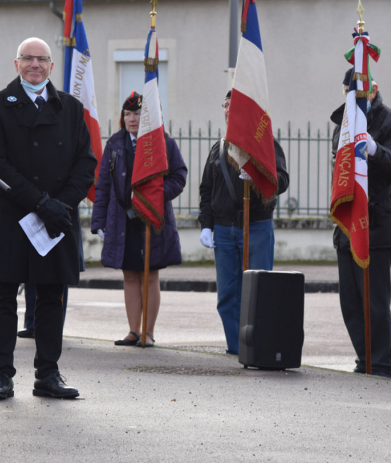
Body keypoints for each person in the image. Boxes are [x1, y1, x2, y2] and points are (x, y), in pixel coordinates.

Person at [0, 37, 96, 401]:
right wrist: (41, 203)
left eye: (41, 59)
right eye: (27, 59)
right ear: (16, 64)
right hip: (14, 216)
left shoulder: (71, 108)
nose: (34, 65)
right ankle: (2, 375)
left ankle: (48, 373)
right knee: (4, 296)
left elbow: (86, 163)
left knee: (51, 295)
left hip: (57, 218)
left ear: (51, 66)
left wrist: (61, 205)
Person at [91, 91, 187, 347]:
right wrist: (98, 222)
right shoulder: (114, 144)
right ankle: (133, 331)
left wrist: (154, 196)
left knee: (150, 274)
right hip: (122, 220)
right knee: (130, 275)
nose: (132, 119)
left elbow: (179, 177)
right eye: (128, 114)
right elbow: (103, 185)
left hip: (152, 219)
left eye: (137, 114)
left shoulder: (164, 142)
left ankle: (148, 332)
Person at [330, 69, 391, 378]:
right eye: (349, 90)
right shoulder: (344, 122)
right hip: (348, 224)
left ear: (374, 89)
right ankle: (364, 359)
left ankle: (382, 363)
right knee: (350, 302)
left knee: (374, 302)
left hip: (377, 224)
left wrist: (375, 150)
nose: (355, 95)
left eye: (361, 90)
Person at [198, 90, 289, 355]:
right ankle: (236, 348)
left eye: (233, 105)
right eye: (225, 105)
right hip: (223, 229)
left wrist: (259, 176)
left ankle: (258, 348)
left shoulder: (265, 143)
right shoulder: (219, 148)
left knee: (259, 292)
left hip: (256, 226)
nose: (228, 110)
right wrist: (206, 224)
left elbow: (282, 180)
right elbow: (206, 190)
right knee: (228, 296)